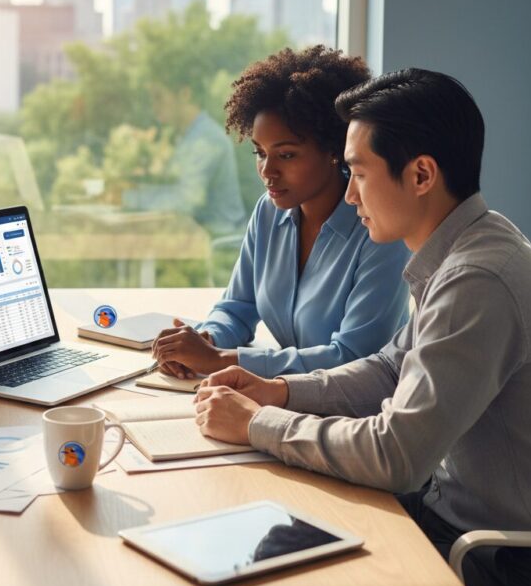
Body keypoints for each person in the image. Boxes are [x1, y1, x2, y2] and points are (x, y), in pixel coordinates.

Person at [193, 68, 531, 586]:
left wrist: (256, 423)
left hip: (519, 570)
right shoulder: (463, 247)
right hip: (461, 526)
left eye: (357, 173)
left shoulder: (477, 278)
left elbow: (397, 456)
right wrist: (278, 393)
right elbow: (389, 368)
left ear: (421, 174)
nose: (350, 192)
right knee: (275, 554)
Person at [152, 46, 410, 380]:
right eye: (260, 153)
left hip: (365, 411)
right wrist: (205, 340)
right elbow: (238, 308)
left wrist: (220, 359)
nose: (267, 171)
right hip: (291, 398)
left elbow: (353, 357)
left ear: (334, 149)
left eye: (286, 155)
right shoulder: (269, 213)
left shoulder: (379, 229)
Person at [122, 81, 246, 238]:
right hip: (199, 239)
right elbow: (174, 190)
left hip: (221, 246)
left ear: (185, 94)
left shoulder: (207, 140)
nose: (154, 106)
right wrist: (135, 190)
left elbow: (186, 201)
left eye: (159, 97)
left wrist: (126, 198)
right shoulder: (187, 136)